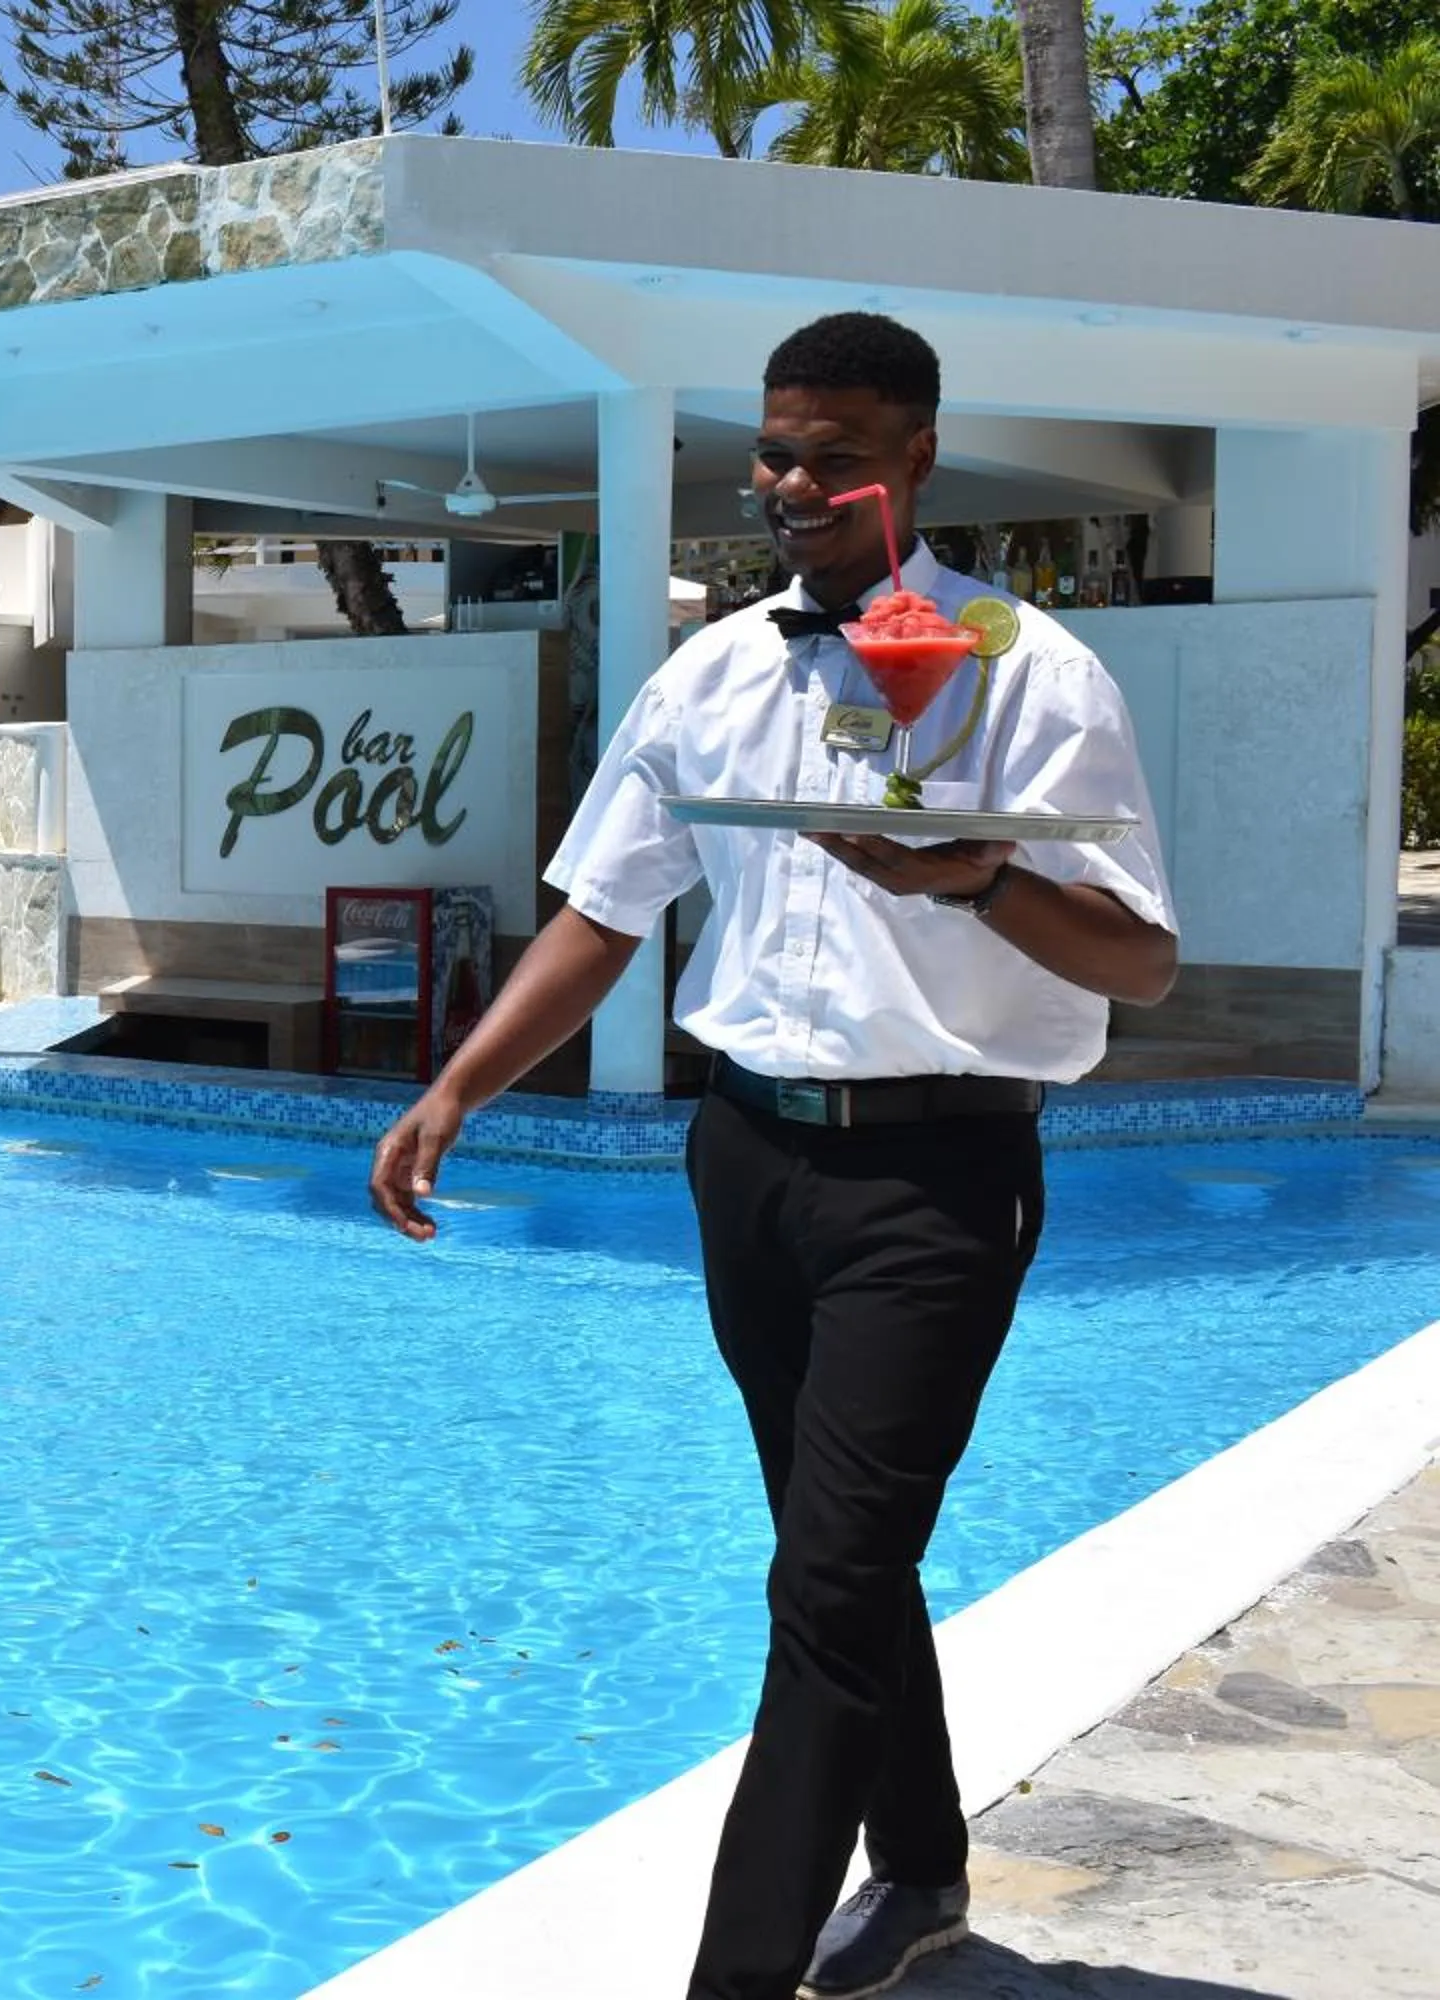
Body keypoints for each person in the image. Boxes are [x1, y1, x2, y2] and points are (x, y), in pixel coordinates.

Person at [367, 313, 1178, 2000]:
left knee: (825, 1586)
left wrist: (975, 880)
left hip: (938, 1178)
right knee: (833, 1548)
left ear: (920, 461)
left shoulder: (1029, 666)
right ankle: (927, 1872)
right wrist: (458, 1090)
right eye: (779, 450)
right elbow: (605, 910)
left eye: (841, 454)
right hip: (744, 1158)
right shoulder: (714, 671)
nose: (798, 483)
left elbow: (1140, 960)